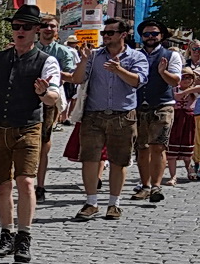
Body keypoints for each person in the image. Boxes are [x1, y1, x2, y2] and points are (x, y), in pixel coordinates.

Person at [0, 6, 64, 264]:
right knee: (2, 185)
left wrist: (42, 93)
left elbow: (54, 97)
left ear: (36, 30)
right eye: (16, 26)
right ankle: (7, 233)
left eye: (26, 27)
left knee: (26, 181)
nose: (20, 31)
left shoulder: (46, 61)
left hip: (27, 126)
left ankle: (24, 235)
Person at [61, 17, 149, 221]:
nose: (106, 36)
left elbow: (138, 82)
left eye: (110, 33)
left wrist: (119, 70)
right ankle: (91, 202)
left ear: (123, 35)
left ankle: (114, 204)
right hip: (93, 115)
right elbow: (77, 79)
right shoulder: (95, 56)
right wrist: (83, 59)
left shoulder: (136, 57)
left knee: (119, 160)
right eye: (104, 33)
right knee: (89, 160)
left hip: (123, 116)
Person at [132, 19, 183, 203]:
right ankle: (145, 185)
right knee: (141, 148)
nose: (150, 37)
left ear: (161, 36)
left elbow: (175, 81)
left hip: (163, 105)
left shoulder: (171, 56)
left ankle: (156, 186)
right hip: (139, 105)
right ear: (141, 36)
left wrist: (163, 72)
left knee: (158, 147)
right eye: (147, 34)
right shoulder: (135, 55)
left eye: (154, 34)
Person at [35, 15, 79, 202]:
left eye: (51, 26)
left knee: (44, 143)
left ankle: (40, 185)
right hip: (26, 100)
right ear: (38, 29)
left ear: (57, 29)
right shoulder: (30, 48)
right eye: (44, 26)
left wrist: (52, 72)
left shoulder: (63, 52)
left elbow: (72, 77)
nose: (48, 29)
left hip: (49, 100)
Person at [167, 65, 200, 183]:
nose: (186, 80)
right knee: (172, 148)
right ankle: (173, 176)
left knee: (187, 148)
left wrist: (185, 92)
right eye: (183, 77)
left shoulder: (194, 92)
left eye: (189, 77)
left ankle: (189, 168)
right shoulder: (173, 89)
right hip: (175, 119)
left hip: (188, 120)